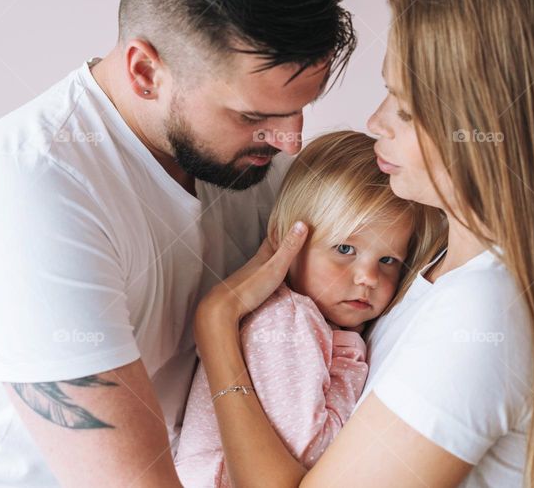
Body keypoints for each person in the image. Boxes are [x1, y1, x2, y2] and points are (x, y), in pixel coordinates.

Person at [0, 0, 356, 487]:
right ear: (146, 71)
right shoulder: (29, 194)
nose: (290, 142)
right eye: (255, 116)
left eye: (300, 108)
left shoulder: (250, 162)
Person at [193, 0, 534, 488]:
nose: (375, 121)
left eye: (403, 108)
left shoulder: (482, 315)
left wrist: (216, 326)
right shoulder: (432, 264)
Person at [175, 130, 443, 486]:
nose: (368, 277)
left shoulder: (317, 321)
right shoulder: (287, 322)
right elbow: (310, 453)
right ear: (289, 240)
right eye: (345, 249)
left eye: (388, 259)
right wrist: (348, 362)